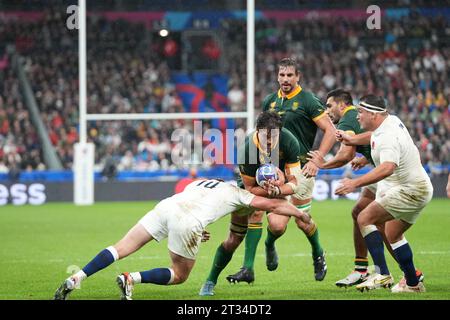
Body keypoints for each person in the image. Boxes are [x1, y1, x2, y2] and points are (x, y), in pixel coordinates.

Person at [53, 178, 308, 300]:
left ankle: (77, 277)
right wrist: (299, 213)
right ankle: (132, 279)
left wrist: (197, 230)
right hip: (188, 222)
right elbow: (273, 205)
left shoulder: (202, 181)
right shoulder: (239, 194)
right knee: (180, 274)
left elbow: (194, 203)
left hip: (166, 207)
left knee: (121, 247)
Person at [227, 57, 336, 284]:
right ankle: (261, 254)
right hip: (275, 168)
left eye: (290, 75)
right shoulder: (270, 101)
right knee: (272, 222)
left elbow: (331, 131)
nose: (285, 79)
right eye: (282, 75)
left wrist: (317, 160)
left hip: (301, 168)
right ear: (277, 76)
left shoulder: (307, 101)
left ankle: (317, 252)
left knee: (302, 221)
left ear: (298, 77)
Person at [307, 89, 423, 288]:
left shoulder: (347, 118)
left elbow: (345, 155)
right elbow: (373, 136)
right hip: (385, 169)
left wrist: (322, 164)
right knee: (362, 213)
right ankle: (366, 269)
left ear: (342, 105)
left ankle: (394, 273)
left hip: (390, 175)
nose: (326, 111)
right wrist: (366, 157)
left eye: (329, 105)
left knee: (374, 221)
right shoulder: (377, 119)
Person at [199, 111, 311, 296]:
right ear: (257, 131)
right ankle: (210, 280)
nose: (269, 141)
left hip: (278, 189)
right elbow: (250, 189)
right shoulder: (247, 149)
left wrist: (279, 188)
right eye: (265, 136)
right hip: (248, 192)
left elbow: (295, 182)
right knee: (234, 239)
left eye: (273, 136)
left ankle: (266, 247)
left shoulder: (289, 141)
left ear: (280, 133)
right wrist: (270, 189)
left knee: (277, 227)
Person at [335, 94, 433, 293]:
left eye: (361, 112)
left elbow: (388, 167)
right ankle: (413, 283)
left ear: (373, 114)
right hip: (420, 187)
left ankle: (381, 274)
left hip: (409, 190)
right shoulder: (390, 122)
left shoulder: (387, 136)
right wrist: (353, 140)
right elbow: (373, 139)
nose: (357, 116)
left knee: (364, 217)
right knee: (393, 234)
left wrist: (355, 182)